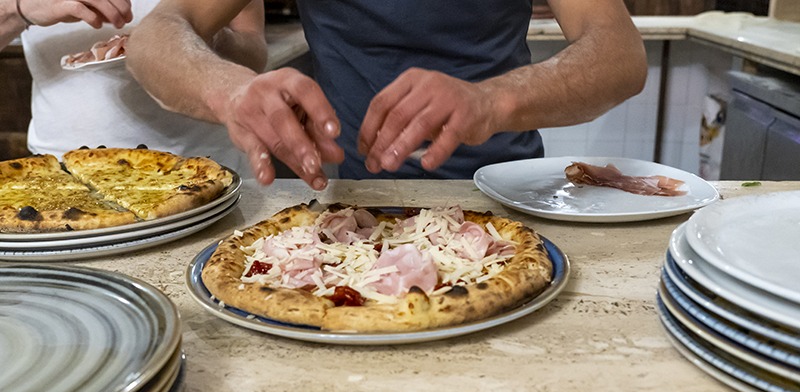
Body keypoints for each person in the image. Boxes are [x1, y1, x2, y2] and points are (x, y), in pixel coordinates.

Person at [127, 1, 647, 190]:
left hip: (507, 193)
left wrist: (492, 101)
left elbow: (619, 53)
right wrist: (230, 92)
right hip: (369, 207)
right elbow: (157, 35)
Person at [0, 0, 266, 177]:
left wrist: (199, 35)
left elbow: (253, 49)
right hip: (59, 171)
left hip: (204, 167)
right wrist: (18, 8)